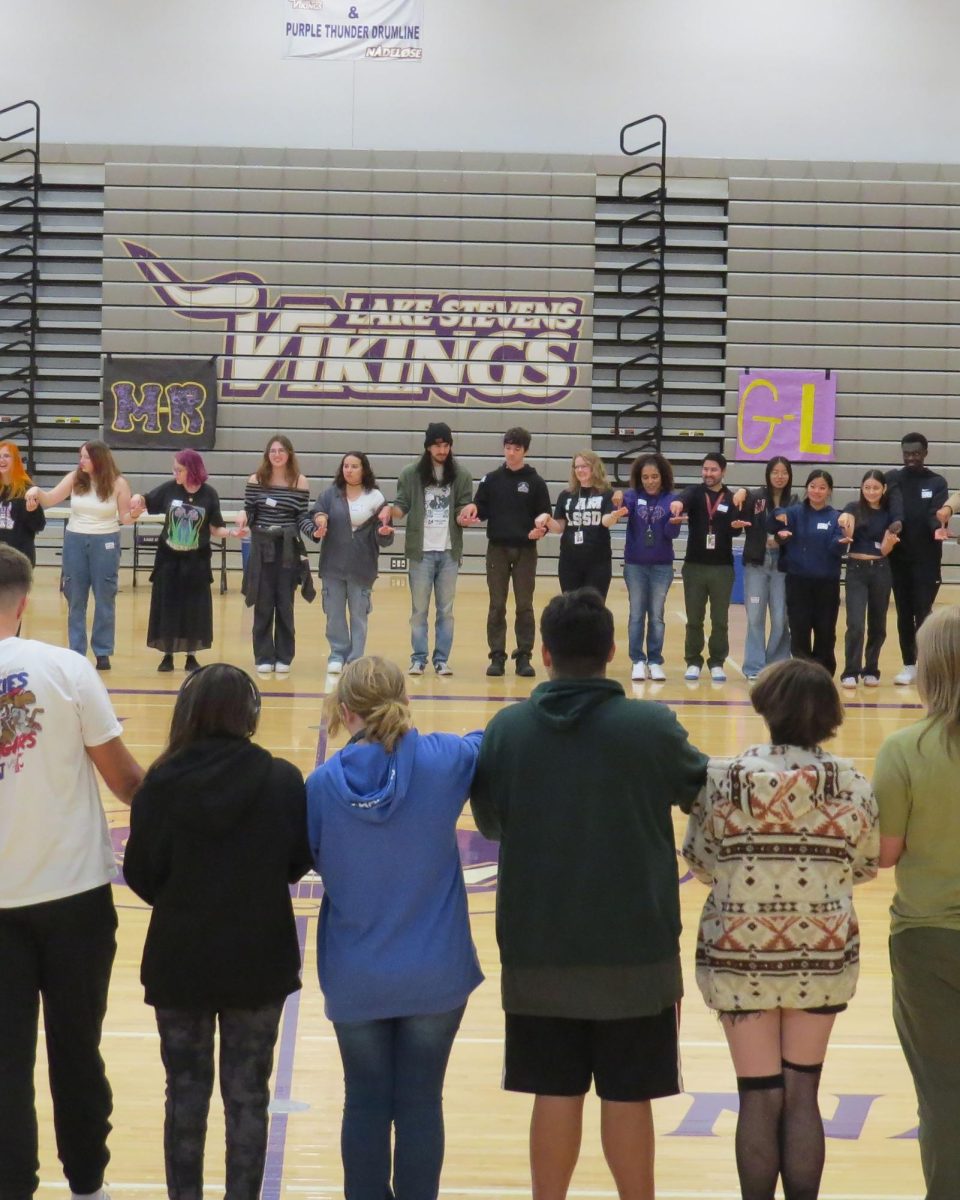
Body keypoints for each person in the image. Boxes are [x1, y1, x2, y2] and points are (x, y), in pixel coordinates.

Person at [471, 588, 708, 1200]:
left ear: (544, 653)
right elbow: (702, 792)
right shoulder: (651, 727)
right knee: (630, 1095)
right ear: (611, 650)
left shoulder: (507, 730)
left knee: (554, 1092)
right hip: (637, 951)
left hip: (538, 948)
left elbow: (493, 823)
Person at [683, 657, 878, 1200]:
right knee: (803, 1093)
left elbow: (700, 861)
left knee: (758, 1095)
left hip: (739, 954)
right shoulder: (855, 784)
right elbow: (863, 865)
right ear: (830, 718)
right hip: (821, 954)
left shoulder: (721, 779)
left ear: (766, 709)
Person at [122, 662, 310, 1200]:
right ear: (250, 714)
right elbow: (296, 862)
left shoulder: (160, 782)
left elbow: (139, 872)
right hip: (260, 962)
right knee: (249, 1096)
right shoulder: (281, 779)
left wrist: (185, 899)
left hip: (180, 961)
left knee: (184, 1095)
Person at [306, 656, 483, 1200]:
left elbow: (313, 858)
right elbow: (495, 739)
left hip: (358, 973)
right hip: (435, 975)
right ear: (405, 702)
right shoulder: (446, 759)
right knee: (421, 1103)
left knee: (363, 1100)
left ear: (343, 712)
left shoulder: (319, 786)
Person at [0, 544, 144, 1200]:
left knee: (5, 1067)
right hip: (74, 899)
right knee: (77, 1052)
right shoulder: (68, 669)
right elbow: (126, 782)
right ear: (26, 600)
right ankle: (88, 1185)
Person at [873, 605, 960, 1198]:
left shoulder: (903, 750)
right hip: (928, 942)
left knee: (944, 1096)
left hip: (928, 941)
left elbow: (884, 853)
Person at [131, 450, 245, 672]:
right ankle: (168, 654)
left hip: (196, 560)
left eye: (179, 469)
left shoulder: (209, 494)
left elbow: (214, 527)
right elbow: (146, 499)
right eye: (174, 469)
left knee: (194, 608)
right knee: (168, 606)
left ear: (192, 470)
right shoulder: (170, 488)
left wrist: (231, 533)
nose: (175, 473)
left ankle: (191, 655)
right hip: (168, 559)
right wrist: (137, 498)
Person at [25, 440, 135, 670]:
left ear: (98, 458)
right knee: (75, 596)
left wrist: (134, 513)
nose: (81, 461)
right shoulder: (75, 478)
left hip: (105, 540)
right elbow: (51, 498)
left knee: (105, 596)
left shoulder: (118, 483)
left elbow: (125, 517)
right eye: (80, 456)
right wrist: (36, 491)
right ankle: (76, 650)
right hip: (75, 539)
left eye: (85, 456)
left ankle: (103, 651)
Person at [378, 422, 474, 677]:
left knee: (446, 610)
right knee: (419, 610)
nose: (442, 450)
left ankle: (441, 659)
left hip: (449, 552)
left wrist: (465, 516)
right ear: (428, 447)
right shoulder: (411, 474)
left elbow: (462, 508)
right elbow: (402, 506)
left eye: (446, 445)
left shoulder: (461, 475)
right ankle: (418, 658)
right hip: (421, 552)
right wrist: (390, 511)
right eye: (437, 445)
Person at [458, 427, 551, 678]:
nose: (511, 453)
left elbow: (545, 516)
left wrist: (539, 530)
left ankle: (523, 656)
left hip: (526, 550)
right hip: (497, 549)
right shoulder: (491, 480)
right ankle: (497, 655)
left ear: (525, 451)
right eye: (508, 448)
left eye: (517, 449)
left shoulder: (535, 482)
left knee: (524, 605)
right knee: (496, 605)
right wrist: (471, 512)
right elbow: (481, 508)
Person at [304, 451, 394, 674]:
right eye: (346, 466)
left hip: (362, 567)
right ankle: (337, 654)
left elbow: (386, 538)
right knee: (334, 613)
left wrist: (383, 532)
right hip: (332, 566)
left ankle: (356, 658)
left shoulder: (376, 498)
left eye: (354, 466)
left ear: (364, 469)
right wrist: (320, 520)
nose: (349, 470)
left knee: (358, 614)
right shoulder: (330, 495)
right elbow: (315, 513)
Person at [236, 434, 312, 677]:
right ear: (267, 455)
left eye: (281, 450)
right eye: (272, 451)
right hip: (261, 547)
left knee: (285, 603)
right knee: (263, 603)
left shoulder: (300, 482)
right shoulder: (256, 479)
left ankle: (284, 656)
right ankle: (263, 656)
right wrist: (242, 516)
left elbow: (301, 517)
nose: (277, 454)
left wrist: (315, 530)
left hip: (287, 548)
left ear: (289, 454)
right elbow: (249, 510)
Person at [669, 451, 746, 682]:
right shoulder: (694, 492)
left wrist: (735, 525)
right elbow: (682, 499)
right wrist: (676, 502)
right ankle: (693, 661)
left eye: (713, 469)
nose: (708, 473)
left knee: (720, 619)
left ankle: (717, 662)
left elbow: (736, 530)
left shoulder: (732, 498)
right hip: (694, 566)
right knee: (694, 618)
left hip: (722, 568)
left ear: (722, 471)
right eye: (705, 469)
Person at [885, 433, 948, 685]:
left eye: (916, 453)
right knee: (903, 613)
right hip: (899, 559)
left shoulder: (936, 482)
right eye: (907, 453)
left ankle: (926, 664)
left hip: (927, 560)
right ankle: (909, 665)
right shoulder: (893, 479)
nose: (911, 457)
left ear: (925, 453)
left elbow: (936, 512)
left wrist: (938, 527)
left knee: (924, 613)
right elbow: (886, 508)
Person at [773, 468, 848, 676]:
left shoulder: (836, 517)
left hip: (826, 585)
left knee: (825, 631)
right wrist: (779, 519)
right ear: (806, 488)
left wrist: (841, 543)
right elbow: (775, 519)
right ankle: (801, 675)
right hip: (798, 583)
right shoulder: (795, 512)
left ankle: (823, 675)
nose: (817, 491)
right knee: (799, 631)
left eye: (822, 488)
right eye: (813, 486)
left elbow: (837, 548)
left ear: (829, 491)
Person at [615, 452, 681, 681]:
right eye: (645, 477)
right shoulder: (632, 496)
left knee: (656, 616)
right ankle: (637, 660)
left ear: (662, 477)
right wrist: (617, 499)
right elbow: (622, 503)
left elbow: (672, 534)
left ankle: (654, 660)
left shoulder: (671, 500)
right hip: (635, 566)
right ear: (639, 478)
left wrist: (674, 523)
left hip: (662, 566)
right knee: (636, 615)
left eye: (654, 476)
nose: (650, 481)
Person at [734, 455, 797, 680]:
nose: (779, 477)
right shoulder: (755, 497)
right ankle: (754, 668)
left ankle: (777, 665)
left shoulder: (795, 502)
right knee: (755, 617)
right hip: (757, 564)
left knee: (781, 617)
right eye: (775, 472)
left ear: (789, 476)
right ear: (768, 475)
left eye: (784, 472)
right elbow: (738, 517)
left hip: (782, 565)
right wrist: (741, 491)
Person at [838, 469, 901, 689]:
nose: (871, 492)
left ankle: (871, 668)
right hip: (856, 569)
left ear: (883, 489)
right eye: (867, 487)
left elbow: (884, 548)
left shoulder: (888, 514)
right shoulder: (853, 508)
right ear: (861, 488)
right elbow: (847, 527)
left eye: (876, 488)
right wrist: (845, 521)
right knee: (855, 623)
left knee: (878, 623)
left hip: (881, 568)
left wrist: (890, 545)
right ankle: (850, 671)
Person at [534, 450, 623, 600]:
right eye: (577, 467)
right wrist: (548, 519)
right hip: (569, 561)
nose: (580, 470)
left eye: (585, 466)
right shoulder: (566, 495)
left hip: (598, 562)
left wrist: (613, 517)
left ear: (594, 467)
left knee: (594, 608)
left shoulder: (606, 493)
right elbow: (559, 528)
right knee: (570, 608)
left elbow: (605, 521)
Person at [0, 442, 46, 564]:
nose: (2, 460)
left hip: (19, 558)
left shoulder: (27, 488)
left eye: (6, 456)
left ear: (15, 460)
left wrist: (32, 512)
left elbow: (39, 525)